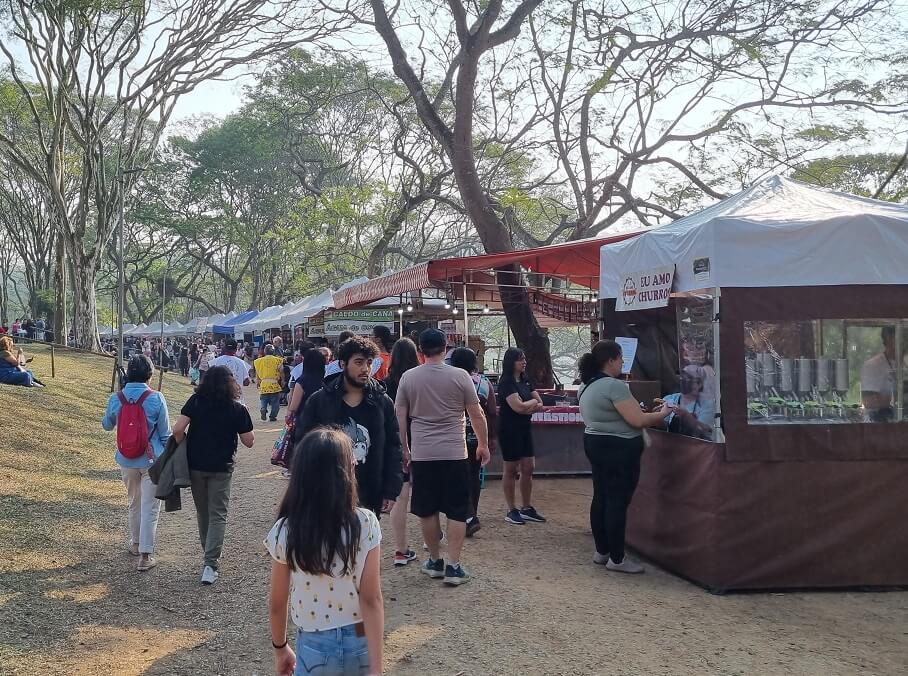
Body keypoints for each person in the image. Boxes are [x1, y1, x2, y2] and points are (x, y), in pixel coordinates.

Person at [266, 429, 384, 676]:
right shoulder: (366, 523)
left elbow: (278, 602)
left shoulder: (285, 530)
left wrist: (281, 648)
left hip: (313, 642)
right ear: (348, 471)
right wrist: (377, 667)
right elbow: (371, 598)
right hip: (360, 638)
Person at [394, 328, 490, 586]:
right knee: (458, 510)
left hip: (423, 453)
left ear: (420, 350)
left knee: (427, 508)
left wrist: (404, 448)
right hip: (455, 451)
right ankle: (454, 566)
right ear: (446, 347)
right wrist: (482, 444)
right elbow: (476, 413)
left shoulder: (409, 377)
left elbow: (400, 416)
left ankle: (435, 561)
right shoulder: (460, 375)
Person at [577, 340, 670, 574]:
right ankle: (617, 558)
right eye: (620, 359)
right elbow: (638, 420)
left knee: (601, 497)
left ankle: (602, 551)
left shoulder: (586, 385)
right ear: (610, 360)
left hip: (595, 443)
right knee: (617, 501)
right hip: (619, 448)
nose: (622, 363)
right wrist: (664, 413)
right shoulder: (614, 386)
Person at [296, 336, 403, 518]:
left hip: (370, 489)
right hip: (327, 489)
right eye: (359, 362)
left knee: (366, 543)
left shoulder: (382, 402)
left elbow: (393, 447)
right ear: (342, 364)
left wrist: (391, 489)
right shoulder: (319, 401)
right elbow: (302, 443)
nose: (365, 369)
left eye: (369, 363)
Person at [172, 366, 254, 585]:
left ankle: (209, 554)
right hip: (222, 466)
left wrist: (183, 446)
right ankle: (210, 563)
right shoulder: (236, 408)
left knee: (203, 512)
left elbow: (178, 429)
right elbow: (249, 441)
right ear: (230, 383)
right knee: (218, 513)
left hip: (196, 465)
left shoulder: (195, 401)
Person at [101, 355, 172, 572]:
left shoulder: (117, 398)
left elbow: (106, 425)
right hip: (152, 460)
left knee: (134, 502)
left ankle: (135, 543)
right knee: (150, 507)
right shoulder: (156, 397)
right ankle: (145, 555)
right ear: (150, 374)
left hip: (126, 459)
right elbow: (165, 435)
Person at [450, 347, 497, 537]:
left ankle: (467, 516)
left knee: (458, 477)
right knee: (473, 475)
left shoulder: (450, 380)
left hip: (455, 436)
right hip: (477, 437)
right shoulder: (484, 383)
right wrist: (490, 438)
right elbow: (493, 412)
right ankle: (472, 514)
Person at [497, 347, 546, 526]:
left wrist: (530, 404)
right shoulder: (506, 382)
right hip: (509, 429)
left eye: (524, 359)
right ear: (511, 362)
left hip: (525, 427)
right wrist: (531, 404)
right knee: (511, 469)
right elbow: (518, 407)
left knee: (528, 467)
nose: (524, 362)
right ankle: (512, 509)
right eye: (520, 359)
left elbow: (539, 402)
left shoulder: (526, 380)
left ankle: (526, 507)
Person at [384, 337, 421, 565]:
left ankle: (401, 549)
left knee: (401, 494)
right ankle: (432, 536)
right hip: (424, 438)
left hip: (396, 441)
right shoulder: (420, 380)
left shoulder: (386, 384)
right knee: (428, 488)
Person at [662, 364, 715, 440]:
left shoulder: (707, 405)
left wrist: (686, 416)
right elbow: (664, 428)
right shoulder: (669, 398)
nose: (683, 380)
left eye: (688, 378)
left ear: (699, 384)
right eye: (682, 376)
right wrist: (658, 418)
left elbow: (706, 432)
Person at [861, 326, 898, 422]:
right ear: (889, 338)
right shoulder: (873, 365)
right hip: (879, 427)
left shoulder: (905, 362)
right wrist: (895, 399)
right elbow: (868, 402)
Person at [210, 338, 251, 404]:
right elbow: (247, 382)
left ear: (224, 348)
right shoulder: (241, 363)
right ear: (235, 349)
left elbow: (209, 379)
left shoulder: (215, 361)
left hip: (218, 399)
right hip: (236, 400)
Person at [254, 344, 285, 422]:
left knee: (263, 399)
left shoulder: (258, 361)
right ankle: (272, 416)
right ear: (273, 351)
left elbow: (257, 372)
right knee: (275, 403)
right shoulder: (278, 360)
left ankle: (263, 408)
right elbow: (281, 371)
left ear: (265, 351)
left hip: (263, 384)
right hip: (274, 384)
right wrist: (283, 380)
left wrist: (258, 381)